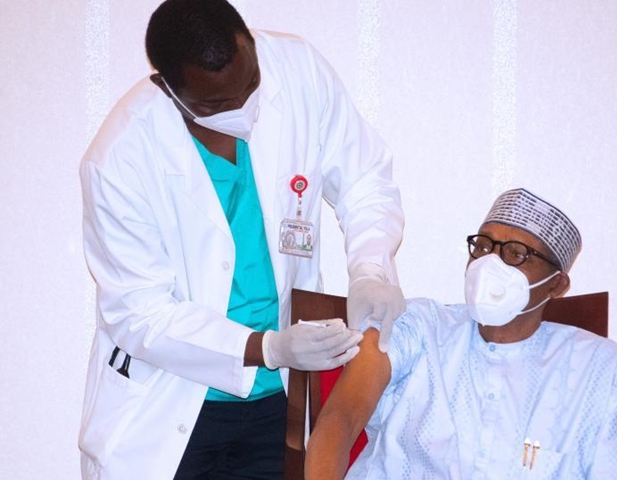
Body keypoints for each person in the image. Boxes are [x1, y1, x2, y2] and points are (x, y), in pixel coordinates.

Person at [78, 0, 405, 478]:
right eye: (214, 104)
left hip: (277, 404)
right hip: (168, 402)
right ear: (165, 86)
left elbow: (364, 180)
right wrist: (267, 348)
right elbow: (139, 312)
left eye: (250, 87)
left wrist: (371, 270)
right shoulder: (119, 158)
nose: (242, 110)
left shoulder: (297, 70)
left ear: (249, 43)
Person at [306, 188, 617, 480]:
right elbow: (341, 418)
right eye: (484, 246)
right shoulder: (418, 326)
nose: (491, 264)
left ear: (557, 285)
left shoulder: (600, 370)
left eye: (517, 254)